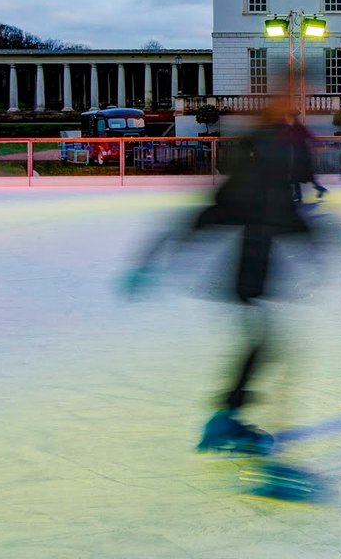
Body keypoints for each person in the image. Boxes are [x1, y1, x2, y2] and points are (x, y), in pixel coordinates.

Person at [123, 97, 322, 500]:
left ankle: (225, 418)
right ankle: (238, 434)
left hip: (254, 269)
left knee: (263, 346)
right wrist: (150, 262)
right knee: (271, 348)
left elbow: (268, 217)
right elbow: (209, 217)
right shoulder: (257, 177)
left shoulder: (263, 175)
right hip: (247, 271)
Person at [284, 110, 327, 204]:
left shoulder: (297, 128)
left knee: (296, 176)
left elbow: (310, 137)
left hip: (301, 155)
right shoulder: (294, 128)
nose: (286, 118)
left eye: (287, 117)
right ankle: (318, 189)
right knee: (303, 176)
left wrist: (319, 145)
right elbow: (311, 137)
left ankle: (299, 195)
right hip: (301, 155)